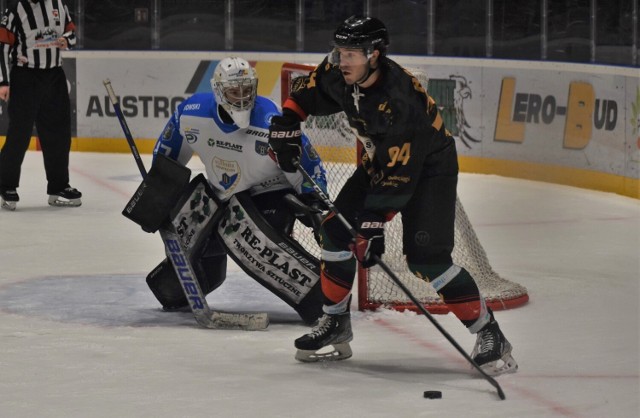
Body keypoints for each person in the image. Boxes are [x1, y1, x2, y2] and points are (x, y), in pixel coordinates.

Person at [268, 16, 517, 375]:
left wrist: (371, 226)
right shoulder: (340, 68)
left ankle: (490, 334)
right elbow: (308, 90)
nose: (343, 60)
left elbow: (399, 178)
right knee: (336, 233)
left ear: (375, 54)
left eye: (352, 53)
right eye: (340, 51)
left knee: (427, 260)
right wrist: (288, 122)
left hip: (429, 170)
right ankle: (335, 321)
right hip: (380, 161)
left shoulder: (401, 101)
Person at [145, 57, 328, 324]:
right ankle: (185, 282)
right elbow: (166, 158)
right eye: (234, 91)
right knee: (186, 249)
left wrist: (312, 201)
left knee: (249, 236)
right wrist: (156, 196)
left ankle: (320, 297)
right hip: (223, 198)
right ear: (218, 91)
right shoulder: (191, 113)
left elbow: (309, 164)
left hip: (271, 196)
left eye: (247, 90)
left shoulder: (272, 121)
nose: (242, 98)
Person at [0, 0, 82, 211]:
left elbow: (71, 32)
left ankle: (58, 186)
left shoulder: (58, 4)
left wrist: (66, 39)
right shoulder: (16, 9)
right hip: (26, 76)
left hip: (54, 76)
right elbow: (2, 45)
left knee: (59, 134)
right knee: (19, 133)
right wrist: (3, 81)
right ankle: (6, 184)